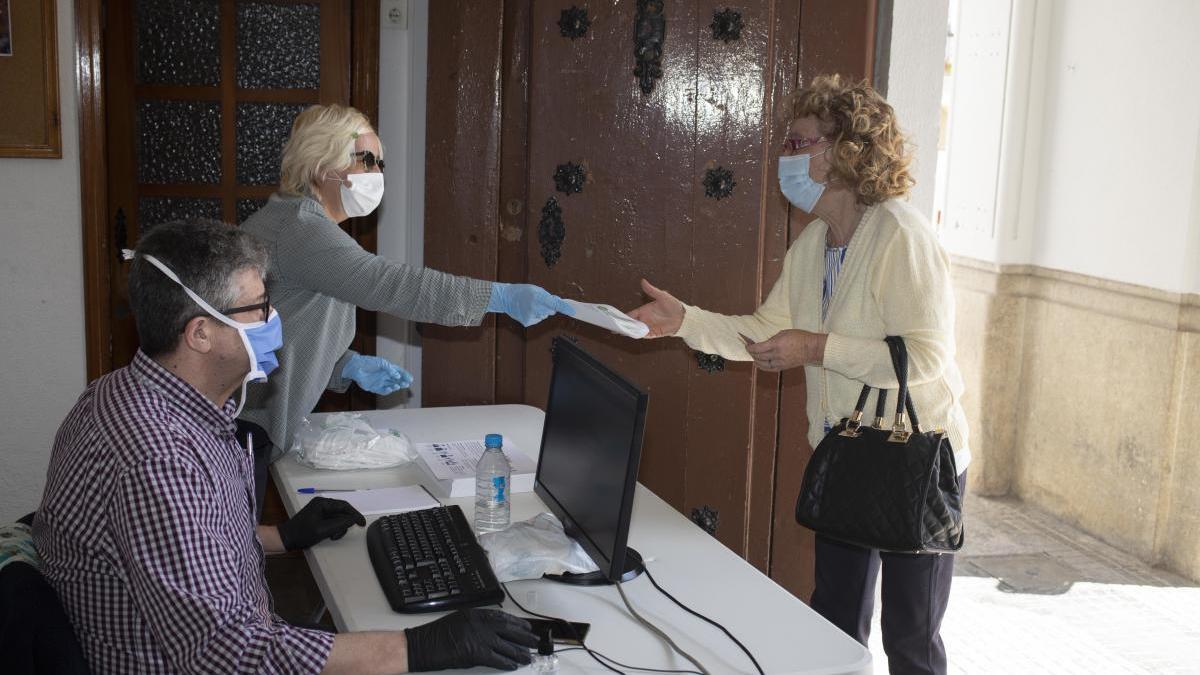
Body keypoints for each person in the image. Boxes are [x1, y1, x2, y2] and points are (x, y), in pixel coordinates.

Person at [33, 219, 538, 673]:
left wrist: (282, 537)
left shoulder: (127, 392)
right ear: (201, 333)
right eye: (258, 309)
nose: (277, 321)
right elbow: (226, 654)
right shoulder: (157, 456)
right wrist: (417, 649)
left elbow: (181, 544)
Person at [628, 75, 970, 675]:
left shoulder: (900, 233)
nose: (787, 157)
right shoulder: (814, 243)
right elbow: (765, 333)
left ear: (846, 151)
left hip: (917, 458)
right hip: (847, 457)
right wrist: (683, 321)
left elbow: (925, 358)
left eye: (800, 142)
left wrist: (817, 346)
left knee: (911, 639)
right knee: (834, 622)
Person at [237, 104, 573, 491]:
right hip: (244, 424)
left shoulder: (297, 222)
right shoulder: (301, 229)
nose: (377, 174)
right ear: (324, 165)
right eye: (367, 161)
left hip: (250, 418)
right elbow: (392, 285)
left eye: (381, 163)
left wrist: (343, 366)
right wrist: (499, 297)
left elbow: (286, 321)